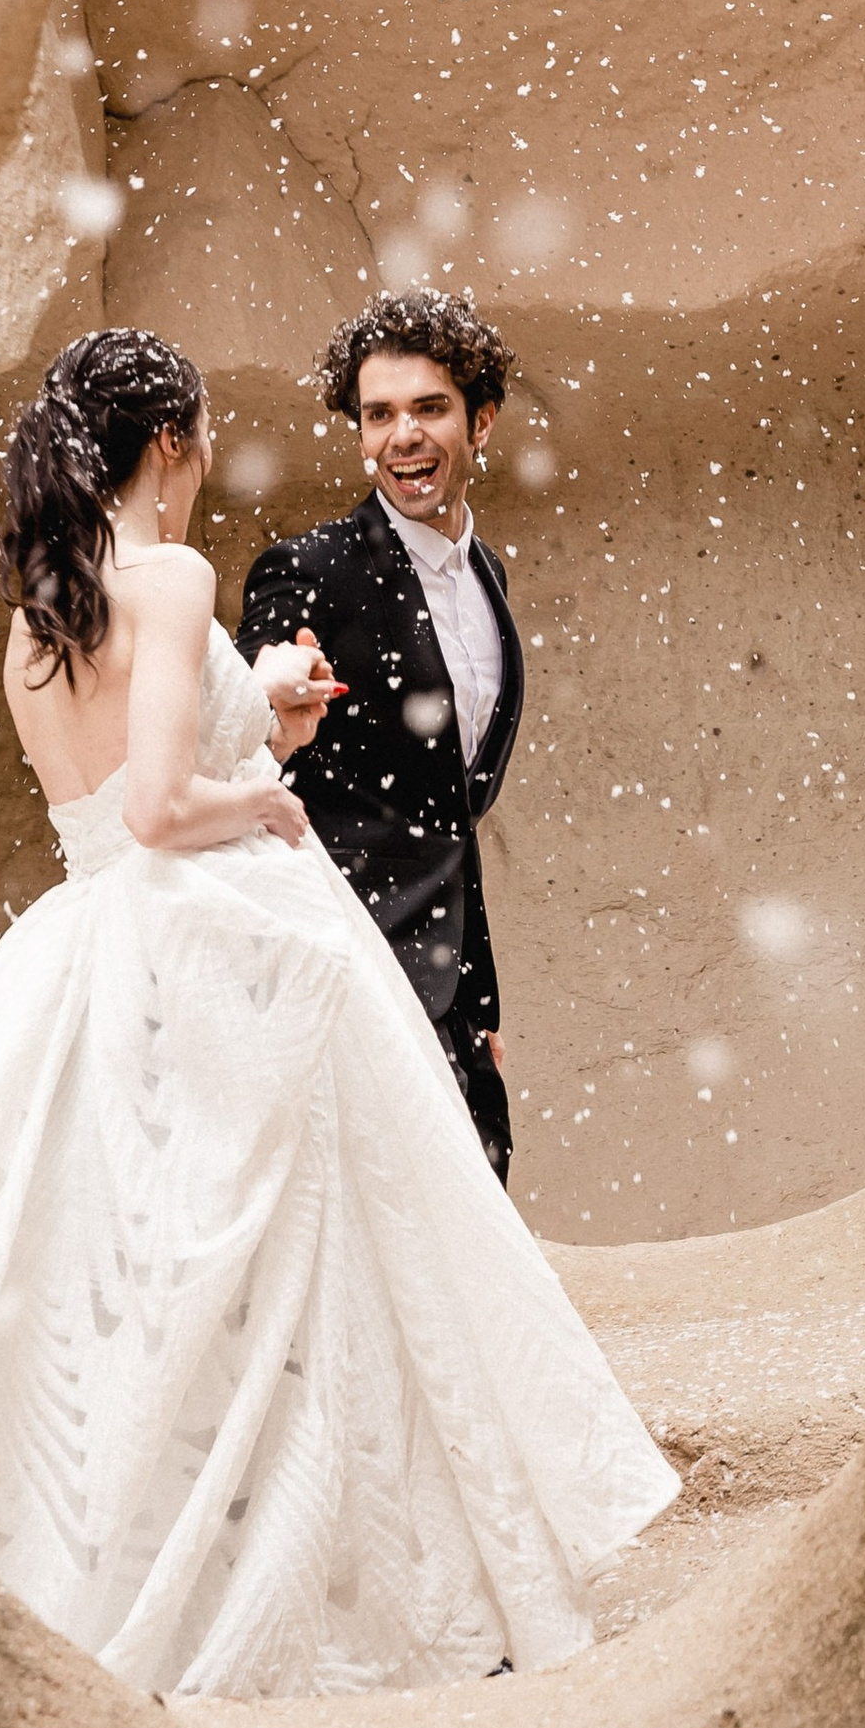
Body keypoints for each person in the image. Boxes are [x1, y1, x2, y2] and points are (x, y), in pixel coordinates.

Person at [0, 326, 673, 1701]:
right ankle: (309, 1571)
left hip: (93, 939)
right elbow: (161, 805)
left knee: (101, 1267)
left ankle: (82, 1539)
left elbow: (109, 778)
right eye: (202, 440)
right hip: (204, 936)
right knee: (301, 1258)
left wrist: (273, 710)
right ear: (170, 444)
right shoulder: (170, 574)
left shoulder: (43, 606)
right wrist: (267, 799)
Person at [237, 290, 522, 1181]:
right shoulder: (308, 571)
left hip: (445, 974)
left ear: (482, 421)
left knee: (476, 1191)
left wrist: (472, 998)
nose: (403, 435)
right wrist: (274, 701)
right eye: (379, 414)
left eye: (429, 408)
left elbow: (449, 811)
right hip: (337, 965)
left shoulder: (490, 575)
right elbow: (239, 745)